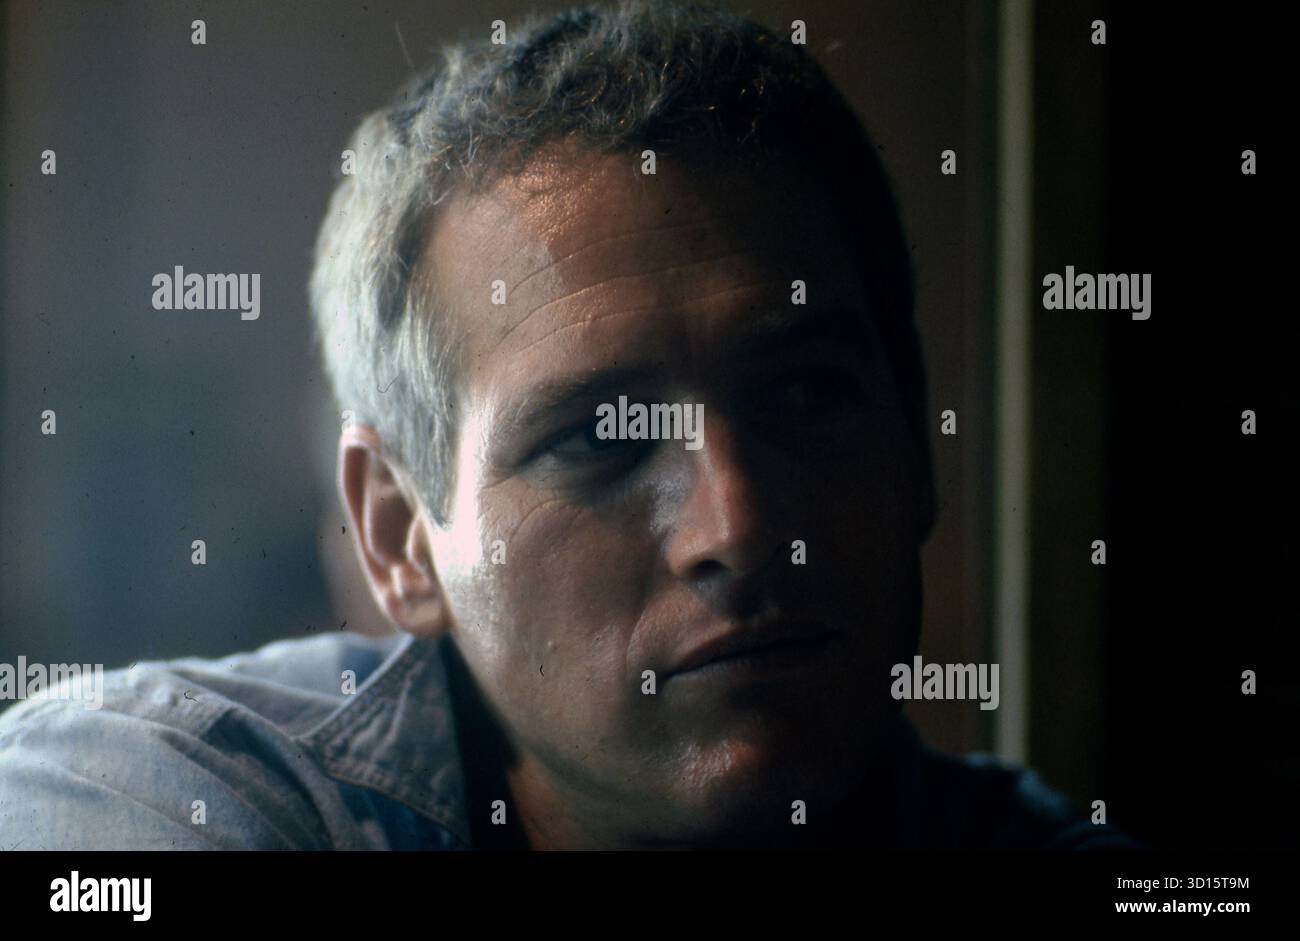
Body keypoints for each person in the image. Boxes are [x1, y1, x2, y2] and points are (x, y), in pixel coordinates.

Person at [0, 0, 1139, 850]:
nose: (738, 524)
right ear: (398, 536)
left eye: (805, 395)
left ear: (913, 441)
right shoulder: (151, 796)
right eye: (601, 437)